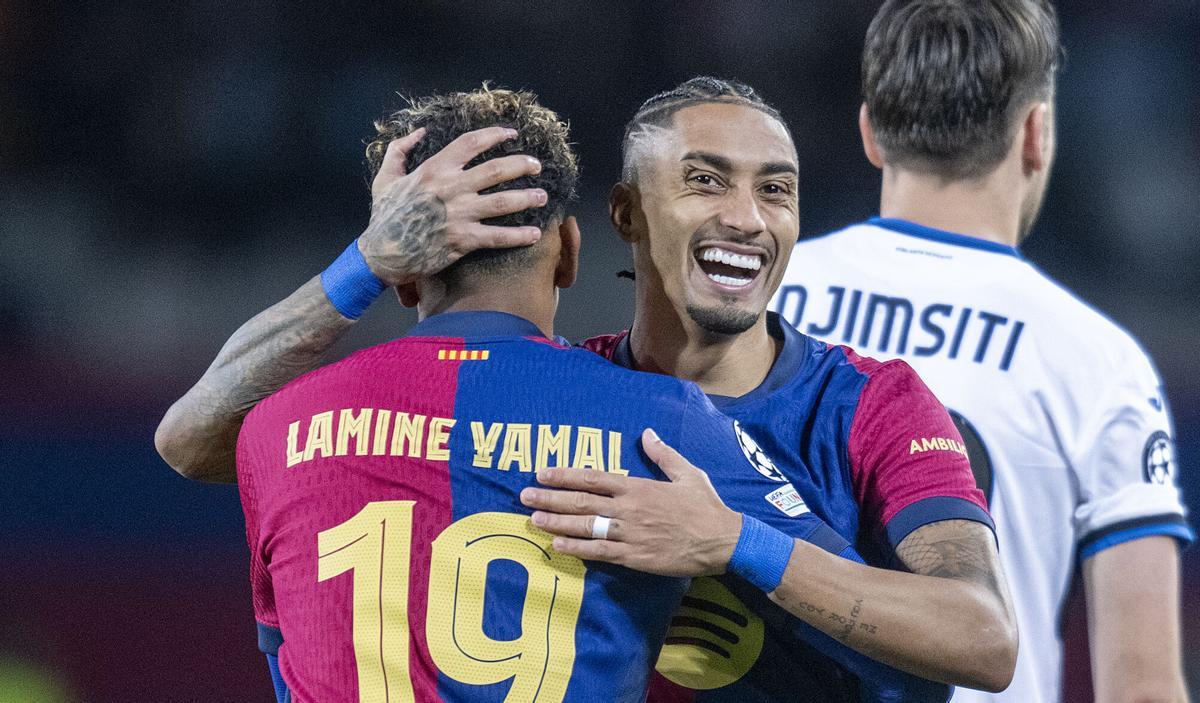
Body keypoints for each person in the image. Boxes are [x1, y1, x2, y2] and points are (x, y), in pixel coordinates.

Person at [155, 78, 1017, 695]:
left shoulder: (876, 405)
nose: (747, 217)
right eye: (705, 180)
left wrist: (730, 540)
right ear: (607, 227)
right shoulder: (623, 405)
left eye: (776, 190)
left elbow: (979, 640)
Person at [765, 1, 1194, 702]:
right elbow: (1140, 685)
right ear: (1035, 133)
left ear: (870, 131)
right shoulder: (1098, 361)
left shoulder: (762, 298)